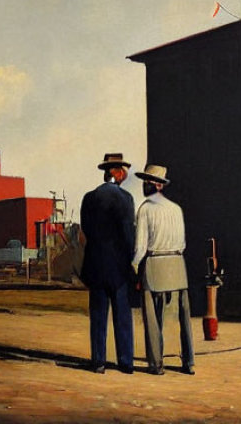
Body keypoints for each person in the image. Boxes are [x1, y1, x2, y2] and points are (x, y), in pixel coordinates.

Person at [133, 164, 195, 375]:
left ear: (158, 185)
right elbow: (184, 243)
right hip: (177, 264)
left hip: (154, 264)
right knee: (184, 316)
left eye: (147, 181)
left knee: (152, 317)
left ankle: (156, 364)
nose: (144, 185)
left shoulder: (145, 209)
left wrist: (133, 266)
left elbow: (141, 247)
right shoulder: (176, 209)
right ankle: (189, 362)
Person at [79, 153, 136, 374]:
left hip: (95, 264)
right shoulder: (126, 198)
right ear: (118, 172)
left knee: (98, 315)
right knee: (122, 315)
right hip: (119, 266)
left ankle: (99, 361)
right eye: (124, 172)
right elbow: (128, 234)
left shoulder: (88, 198)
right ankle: (125, 362)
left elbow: (86, 230)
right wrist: (130, 259)